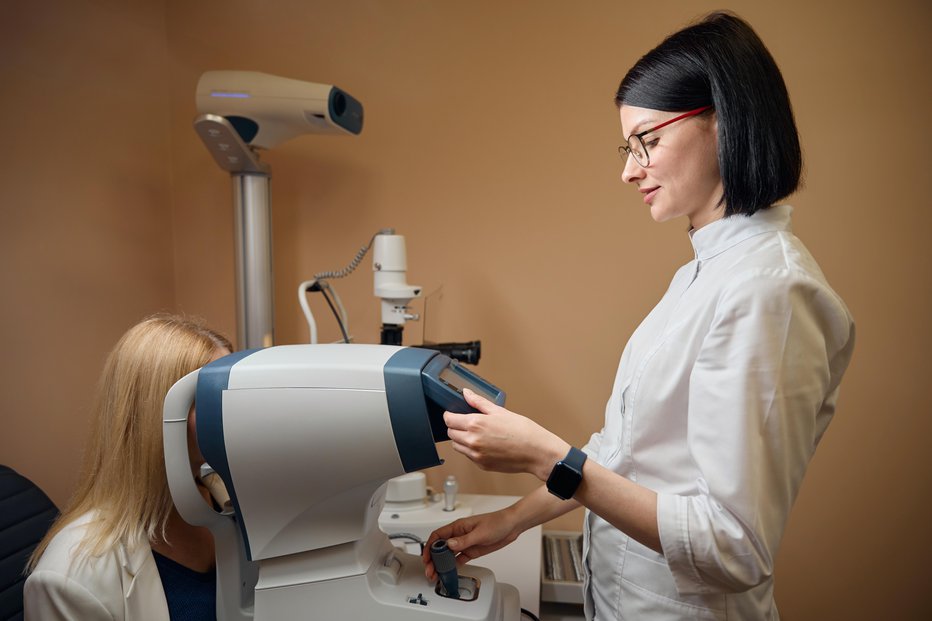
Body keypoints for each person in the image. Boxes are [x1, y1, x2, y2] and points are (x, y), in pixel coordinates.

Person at [423, 11, 855, 620]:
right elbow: (625, 450)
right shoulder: (702, 274)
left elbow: (734, 547)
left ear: (724, 120)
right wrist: (510, 520)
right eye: (628, 147)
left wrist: (544, 454)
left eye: (647, 141)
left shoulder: (771, 292)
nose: (629, 169)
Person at [24, 314, 232, 621]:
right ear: (154, 415)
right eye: (212, 398)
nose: (232, 411)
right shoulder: (69, 580)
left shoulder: (222, 498)